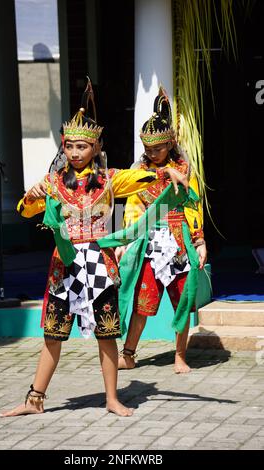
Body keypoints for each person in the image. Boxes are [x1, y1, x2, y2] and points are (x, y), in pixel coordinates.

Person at [0, 79, 189, 418]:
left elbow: (148, 177)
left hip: (100, 266)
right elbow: (24, 210)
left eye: (82, 147)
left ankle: (112, 399)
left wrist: (170, 172)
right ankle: (34, 399)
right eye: (70, 146)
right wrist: (31, 197)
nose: (75, 153)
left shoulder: (110, 179)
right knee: (53, 335)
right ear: (63, 146)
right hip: (65, 265)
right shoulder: (54, 183)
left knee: (107, 334)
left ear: (97, 147)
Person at [116, 86, 207, 374]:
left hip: (180, 241)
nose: (152, 153)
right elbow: (131, 207)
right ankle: (128, 354)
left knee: (183, 302)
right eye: (148, 149)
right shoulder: (139, 173)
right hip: (150, 243)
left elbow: (193, 207)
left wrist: (200, 241)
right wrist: (126, 240)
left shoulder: (185, 170)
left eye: (158, 148)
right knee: (143, 301)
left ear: (170, 144)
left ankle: (180, 356)